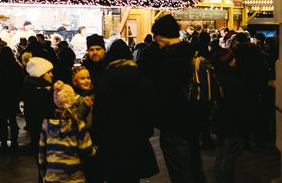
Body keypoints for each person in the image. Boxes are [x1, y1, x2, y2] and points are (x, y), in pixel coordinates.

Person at [150, 14, 206, 183]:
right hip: (194, 122)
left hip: (174, 126)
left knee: (180, 173)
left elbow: (165, 96)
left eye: (155, 36)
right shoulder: (191, 53)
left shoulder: (169, 60)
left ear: (161, 35)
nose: (155, 40)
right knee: (195, 169)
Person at [94, 41, 159, 183]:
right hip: (136, 140)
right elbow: (149, 111)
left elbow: (99, 114)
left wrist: (98, 137)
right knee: (132, 178)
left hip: (111, 142)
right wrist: (145, 132)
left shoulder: (105, 81)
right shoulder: (141, 79)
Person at [38, 81, 97, 183]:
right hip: (74, 176)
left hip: (52, 176)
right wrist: (95, 150)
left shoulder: (46, 124)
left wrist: (43, 173)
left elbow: (41, 153)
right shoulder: (78, 124)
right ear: (73, 100)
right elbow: (86, 150)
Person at [211, 47, 250, 183]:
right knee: (229, 156)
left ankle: (218, 178)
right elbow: (239, 105)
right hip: (233, 123)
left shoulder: (217, 75)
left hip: (221, 121)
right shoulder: (232, 80)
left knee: (221, 153)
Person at [22, 56, 56, 183]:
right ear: (40, 74)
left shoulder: (36, 89)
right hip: (43, 136)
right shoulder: (39, 92)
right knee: (46, 169)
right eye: (48, 72)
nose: (51, 75)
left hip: (39, 135)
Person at [0, 46, 24, 152]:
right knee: (13, 119)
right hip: (13, 96)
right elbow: (20, 82)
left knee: (3, 121)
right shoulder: (17, 67)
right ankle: (14, 141)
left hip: (2, 96)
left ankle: (4, 141)